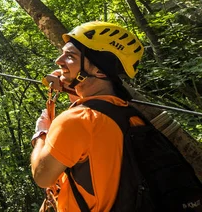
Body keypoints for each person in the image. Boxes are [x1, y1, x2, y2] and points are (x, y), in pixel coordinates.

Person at [30, 21, 144, 212]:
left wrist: (41, 133)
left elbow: (42, 177)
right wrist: (72, 87)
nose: (58, 61)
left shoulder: (77, 120)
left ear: (99, 70)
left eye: (70, 56)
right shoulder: (127, 113)